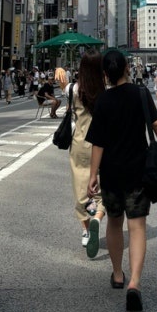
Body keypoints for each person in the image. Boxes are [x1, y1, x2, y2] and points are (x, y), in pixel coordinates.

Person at [86, 48, 157, 312]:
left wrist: (92, 176)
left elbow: (97, 143)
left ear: (106, 74)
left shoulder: (102, 101)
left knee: (114, 223)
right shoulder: (141, 94)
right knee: (137, 227)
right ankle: (135, 282)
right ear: (126, 68)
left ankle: (117, 274)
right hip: (138, 171)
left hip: (111, 173)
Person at [65, 53, 106, 256]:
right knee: (103, 185)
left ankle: (86, 230)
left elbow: (69, 110)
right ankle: (98, 215)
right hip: (103, 143)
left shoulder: (73, 89)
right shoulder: (105, 90)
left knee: (81, 187)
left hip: (80, 142)